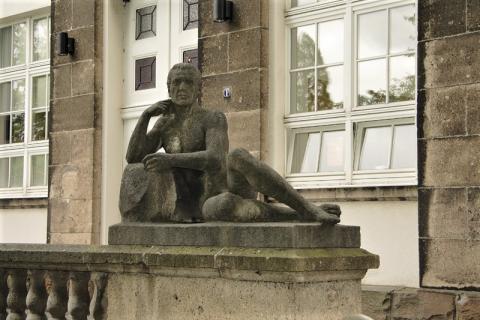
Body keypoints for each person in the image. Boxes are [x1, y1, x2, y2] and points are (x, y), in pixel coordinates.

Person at [123, 63, 340, 223]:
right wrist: (144, 117)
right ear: (168, 88)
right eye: (176, 83)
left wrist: (170, 160)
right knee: (223, 205)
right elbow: (132, 157)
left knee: (236, 155)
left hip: (227, 184)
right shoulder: (164, 125)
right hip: (206, 204)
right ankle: (296, 214)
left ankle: (306, 207)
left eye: (188, 82)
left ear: (198, 88)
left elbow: (215, 158)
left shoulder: (212, 118)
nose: (181, 87)